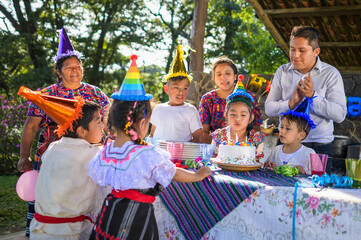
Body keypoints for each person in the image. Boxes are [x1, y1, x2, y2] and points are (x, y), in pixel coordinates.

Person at [88, 55, 211, 239]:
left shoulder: (107, 150)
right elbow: (172, 172)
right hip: (136, 217)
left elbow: (96, 174)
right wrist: (197, 175)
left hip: (110, 212)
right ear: (144, 122)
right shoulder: (145, 153)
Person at [17, 28, 110, 237]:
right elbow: (31, 127)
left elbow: (107, 123)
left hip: (88, 152)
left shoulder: (95, 93)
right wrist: (24, 155)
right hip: (53, 155)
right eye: (69, 67)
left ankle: (84, 229)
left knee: (85, 194)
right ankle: (42, 232)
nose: (75, 70)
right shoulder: (47, 94)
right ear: (59, 71)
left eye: (78, 66)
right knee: (49, 196)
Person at [265, 25, 347, 174]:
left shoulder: (331, 74)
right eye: (292, 49)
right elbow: (269, 109)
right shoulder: (282, 72)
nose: (295, 55)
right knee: (278, 186)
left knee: (317, 191)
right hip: (286, 144)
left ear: (316, 51)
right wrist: (291, 103)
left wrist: (313, 96)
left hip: (319, 146)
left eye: (302, 50)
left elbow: (340, 114)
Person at [24, 98, 108, 239]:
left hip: (39, 231)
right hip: (71, 233)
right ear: (81, 131)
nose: (103, 127)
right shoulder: (94, 153)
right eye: (98, 121)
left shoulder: (52, 147)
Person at [199, 56, 262, 143]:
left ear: (235, 76)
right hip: (216, 146)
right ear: (214, 78)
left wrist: (243, 146)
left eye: (228, 73)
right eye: (219, 74)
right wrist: (220, 146)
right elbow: (203, 132)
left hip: (245, 147)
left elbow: (256, 128)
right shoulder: (208, 99)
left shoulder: (250, 98)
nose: (223, 77)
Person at [150, 45, 202, 142]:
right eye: (176, 87)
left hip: (181, 155)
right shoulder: (158, 109)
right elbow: (152, 134)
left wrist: (181, 149)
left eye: (185, 88)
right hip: (159, 155)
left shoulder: (190, 110)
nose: (180, 92)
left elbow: (198, 137)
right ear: (166, 89)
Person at [211, 79, 264, 161]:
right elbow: (214, 159)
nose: (238, 119)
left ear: (251, 118)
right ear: (226, 115)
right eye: (233, 114)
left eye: (243, 115)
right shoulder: (219, 136)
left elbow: (256, 162)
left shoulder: (255, 138)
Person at [264, 98, 316, 174]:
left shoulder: (309, 154)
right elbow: (267, 168)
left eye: (288, 128)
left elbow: (321, 176)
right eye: (281, 127)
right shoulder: (276, 151)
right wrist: (268, 166)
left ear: (301, 135)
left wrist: (305, 172)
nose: (282, 131)